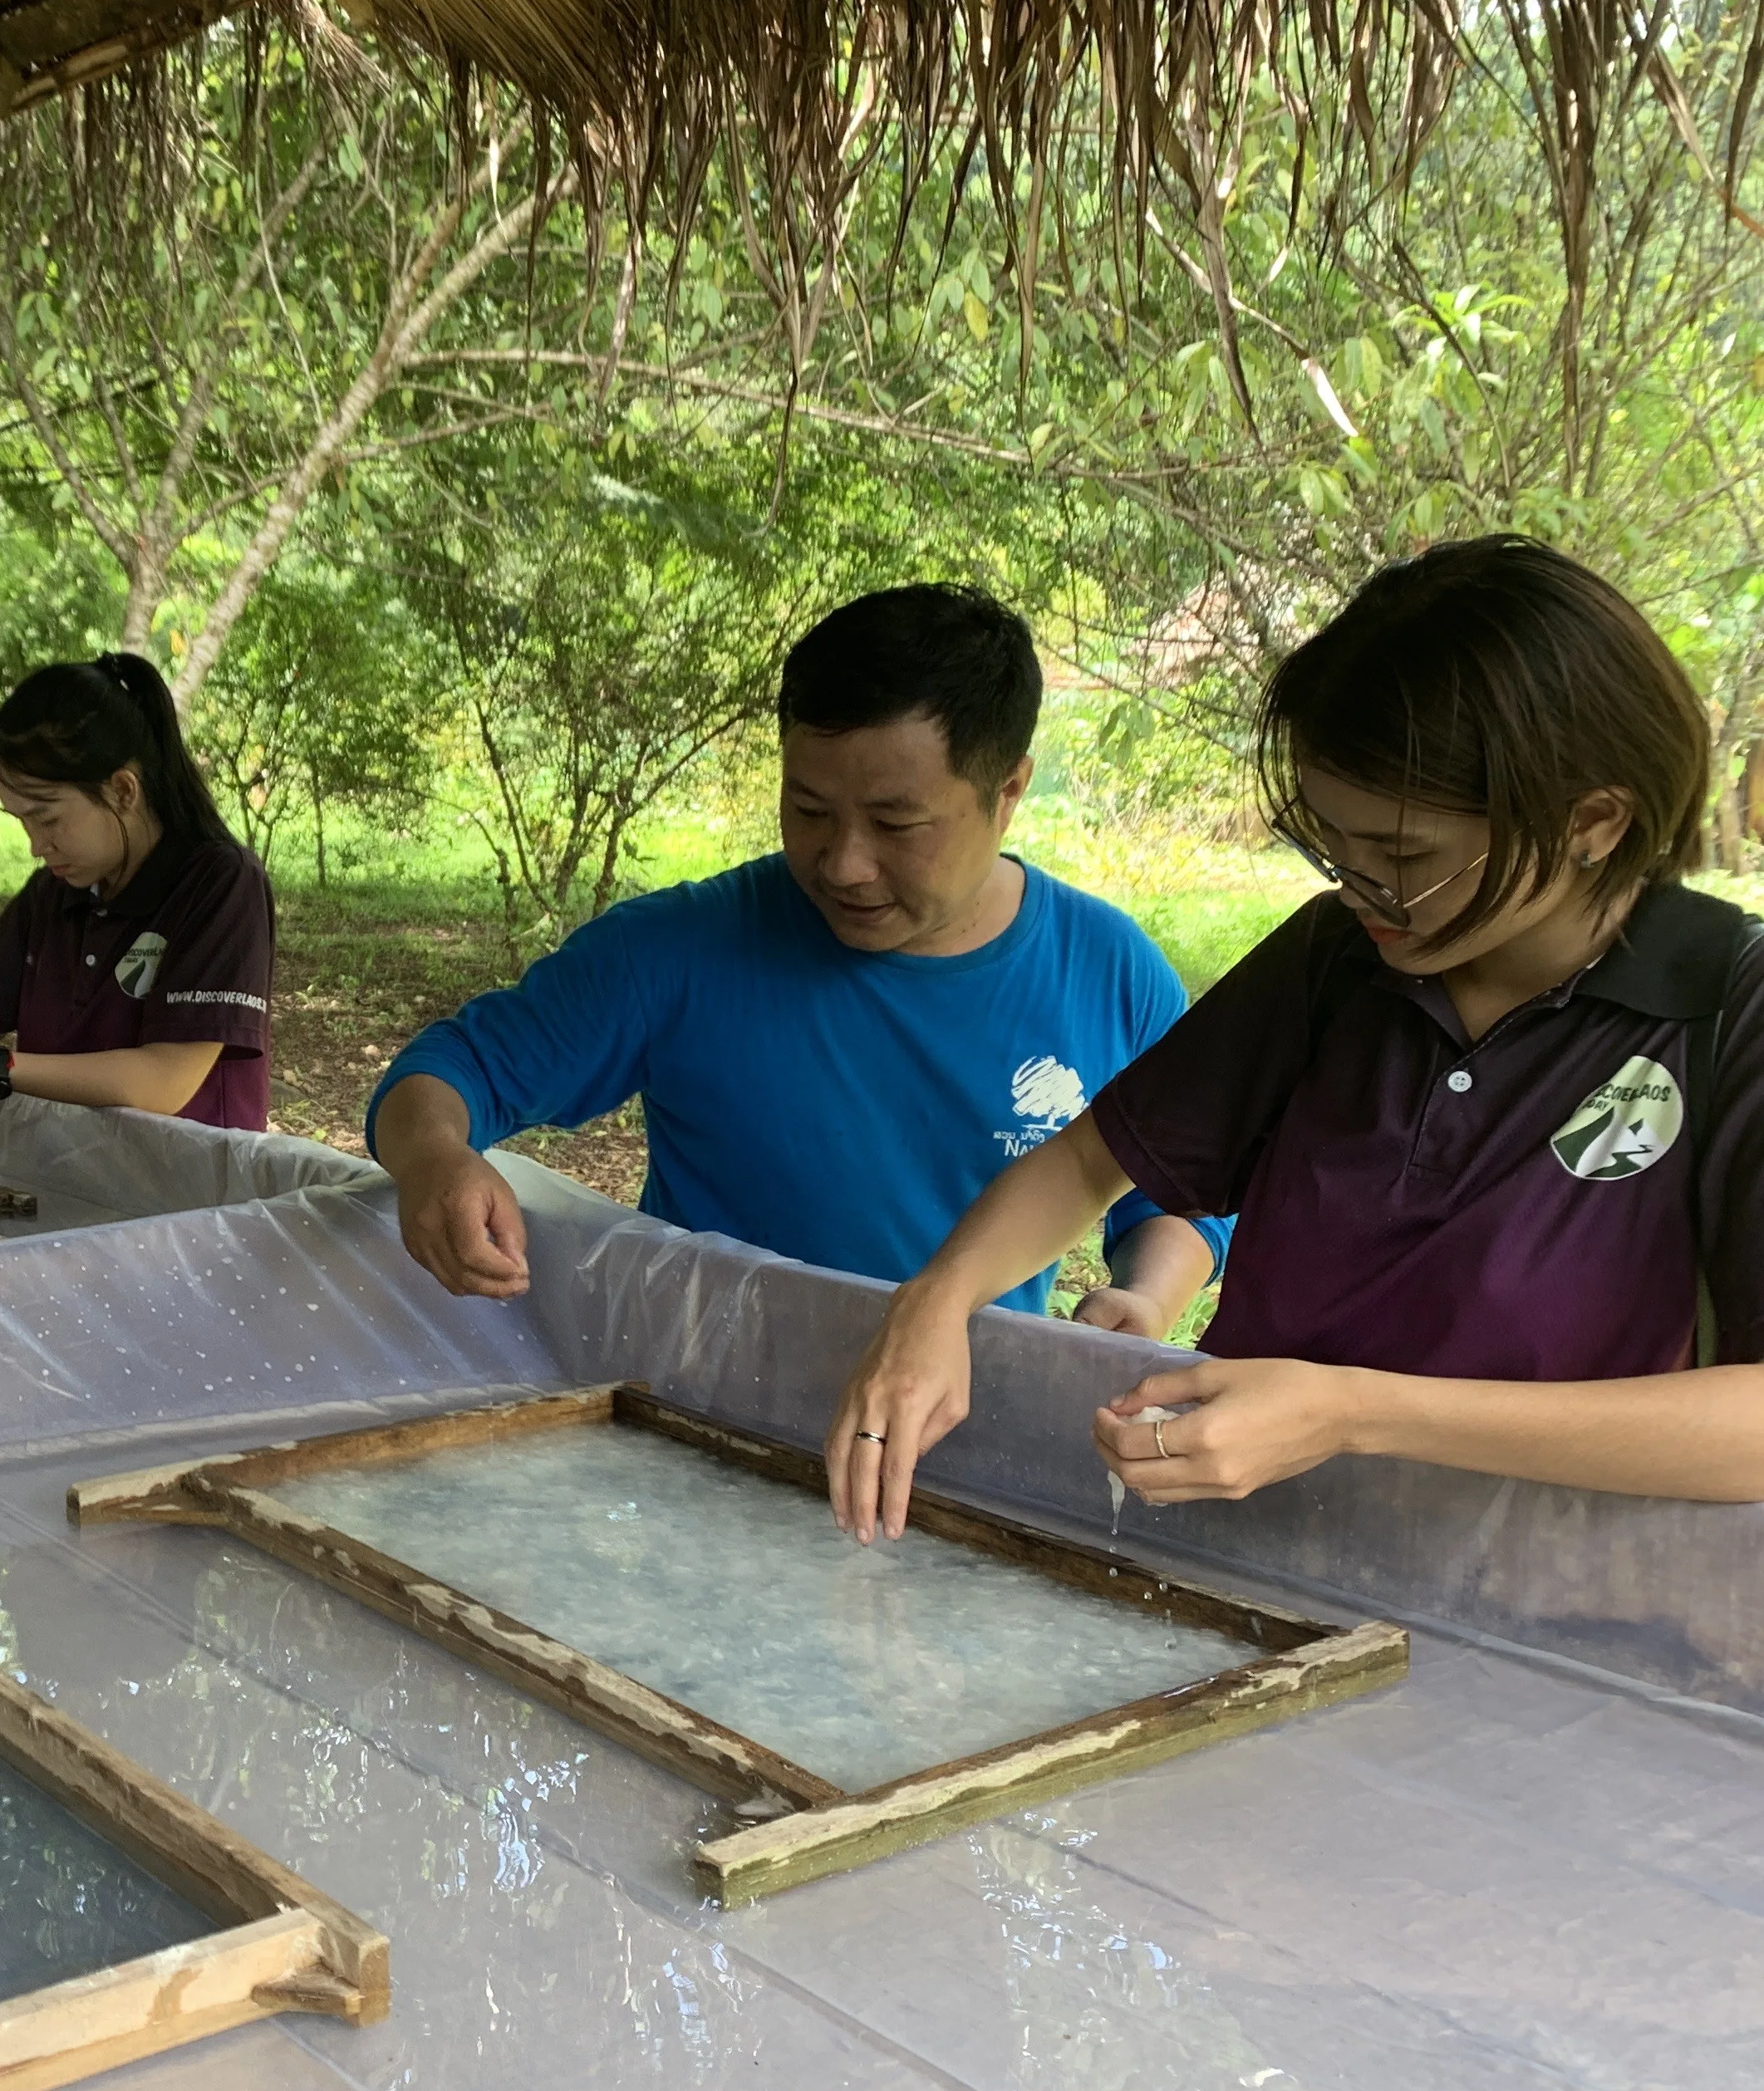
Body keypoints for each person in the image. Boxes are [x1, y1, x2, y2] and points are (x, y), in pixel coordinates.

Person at [828, 537, 1764, 1543]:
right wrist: (937, 1299)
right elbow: (1093, 1157)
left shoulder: (1725, 1010)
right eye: (1333, 843)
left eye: (1404, 854)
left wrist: (1355, 1415)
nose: (1360, 889)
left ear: (1594, 821)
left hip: (1552, 1622)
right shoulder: (1341, 958)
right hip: (1253, 1561)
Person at [371, 583, 1225, 1331]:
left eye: (896, 824)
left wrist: (1147, 1298)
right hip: (697, 1414)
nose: (844, 864)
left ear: (1006, 792)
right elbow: (449, 1073)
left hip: (955, 1432)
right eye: (809, 809)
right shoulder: (680, 950)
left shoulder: (1113, 977)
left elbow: (1179, 1195)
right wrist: (435, 1159)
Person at [0, 653, 273, 1196]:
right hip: (71, 1194)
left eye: (47, 818)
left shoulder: (219, 882)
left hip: (186, 1206)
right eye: (21, 820)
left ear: (123, 790)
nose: (34, 845)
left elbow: (164, 1080)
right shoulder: (56, 893)